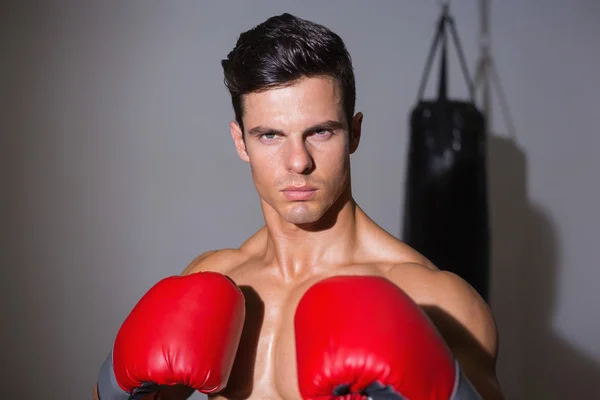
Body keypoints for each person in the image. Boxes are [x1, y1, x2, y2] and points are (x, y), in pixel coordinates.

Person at [94, 13, 504, 400]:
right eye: (270, 135)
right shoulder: (215, 278)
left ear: (354, 133)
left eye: (320, 132)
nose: (298, 162)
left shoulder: (436, 301)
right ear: (241, 142)